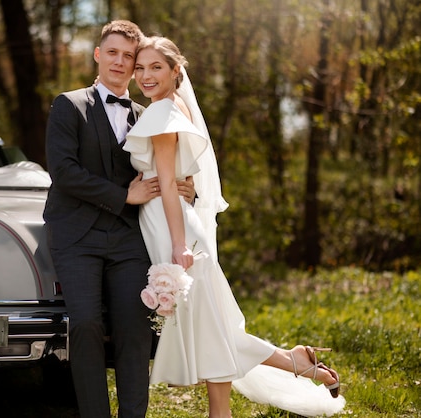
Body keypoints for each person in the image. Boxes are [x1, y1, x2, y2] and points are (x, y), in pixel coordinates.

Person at [124, 35, 346, 418]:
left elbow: (168, 185)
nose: (144, 75)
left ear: (176, 71)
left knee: (209, 326)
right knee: (213, 325)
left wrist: (178, 247)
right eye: (140, 67)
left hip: (171, 226)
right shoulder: (173, 106)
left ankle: (224, 411)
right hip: (175, 221)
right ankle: (290, 362)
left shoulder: (161, 113)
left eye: (155, 67)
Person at [43, 21, 196, 418]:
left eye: (129, 56)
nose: (120, 61)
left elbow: (166, 168)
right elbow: (64, 172)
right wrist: (122, 194)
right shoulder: (68, 104)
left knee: (135, 330)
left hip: (130, 237)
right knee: (87, 326)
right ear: (98, 55)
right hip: (77, 236)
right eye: (112, 52)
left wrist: (184, 187)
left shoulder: (148, 115)